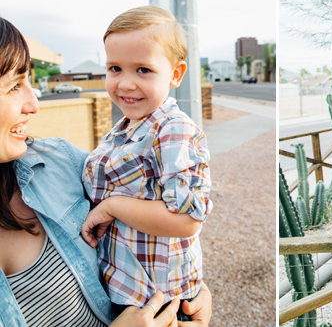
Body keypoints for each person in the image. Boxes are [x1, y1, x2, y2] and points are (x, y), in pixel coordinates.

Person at [0, 16, 212, 326]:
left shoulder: (58, 162)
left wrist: (192, 291)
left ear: (176, 73)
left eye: (143, 69)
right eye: (13, 86)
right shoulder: (122, 134)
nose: (34, 103)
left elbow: (176, 218)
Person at [81, 6, 212, 321]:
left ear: (175, 74)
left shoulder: (172, 129)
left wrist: (111, 207)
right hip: (129, 290)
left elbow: (187, 221)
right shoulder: (127, 127)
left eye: (143, 70)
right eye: (115, 68)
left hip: (158, 302)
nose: (125, 83)